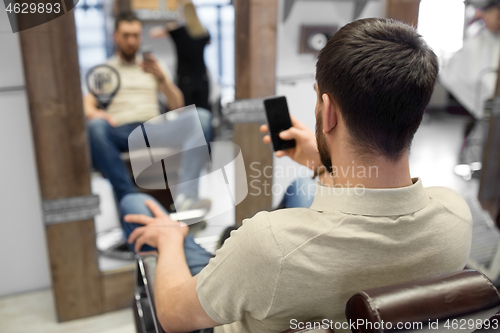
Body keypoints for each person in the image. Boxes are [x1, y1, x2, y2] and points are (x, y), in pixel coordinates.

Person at [122, 18, 472, 333]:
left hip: (225, 309)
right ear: (418, 112)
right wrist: (322, 164)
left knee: (137, 203)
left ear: (328, 111)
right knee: (301, 187)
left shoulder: (269, 245)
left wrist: (170, 240)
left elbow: (170, 314)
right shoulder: (455, 215)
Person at [84, 12, 212, 211]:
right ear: (115, 36)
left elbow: (178, 106)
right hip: (122, 131)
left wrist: (162, 79)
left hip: (153, 129)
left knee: (201, 117)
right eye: (126, 35)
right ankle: (130, 198)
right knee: (95, 127)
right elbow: (88, 105)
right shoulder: (105, 71)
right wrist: (96, 114)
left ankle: (187, 197)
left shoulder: (153, 66)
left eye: (135, 35)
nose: (131, 41)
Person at [150, 0, 212, 111]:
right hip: (202, 79)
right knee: (203, 116)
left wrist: (174, 24)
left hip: (185, 80)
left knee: (186, 117)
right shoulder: (203, 31)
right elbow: (209, 42)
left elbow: (153, 34)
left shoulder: (179, 31)